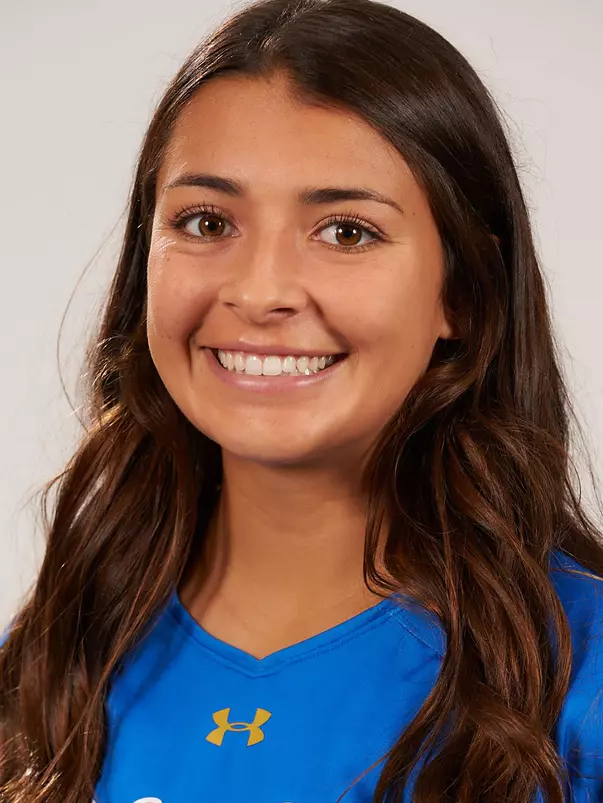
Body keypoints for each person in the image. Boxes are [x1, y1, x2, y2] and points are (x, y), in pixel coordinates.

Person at [1, 0, 603, 800]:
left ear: (462, 290)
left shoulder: (580, 671)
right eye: (207, 221)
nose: (258, 291)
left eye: (346, 231)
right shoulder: (43, 663)